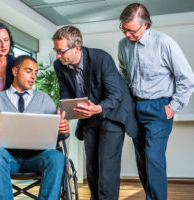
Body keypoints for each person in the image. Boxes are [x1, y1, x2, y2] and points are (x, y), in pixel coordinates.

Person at [52, 26, 139, 200]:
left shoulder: (101, 58)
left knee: (107, 166)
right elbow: (66, 94)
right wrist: (62, 113)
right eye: (55, 50)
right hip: (89, 116)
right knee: (91, 166)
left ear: (76, 48)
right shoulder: (60, 65)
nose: (57, 55)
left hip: (112, 113)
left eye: (60, 51)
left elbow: (116, 94)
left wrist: (97, 108)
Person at [118, 3, 194, 200]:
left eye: (131, 30)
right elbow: (124, 72)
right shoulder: (123, 45)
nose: (127, 35)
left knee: (154, 158)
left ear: (145, 25)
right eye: (123, 29)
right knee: (142, 159)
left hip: (159, 107)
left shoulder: (164, 43)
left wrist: (173, 106)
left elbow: (187, 78)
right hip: (136, 106)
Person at [0, 55, 70, 200]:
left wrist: (62, 129)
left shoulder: (44, 99)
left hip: (37, 158)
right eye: (28, 71)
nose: (33, 76)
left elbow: (57, 133)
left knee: (56, 156)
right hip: (7, 157)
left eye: (36, 73)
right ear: (14, 71)